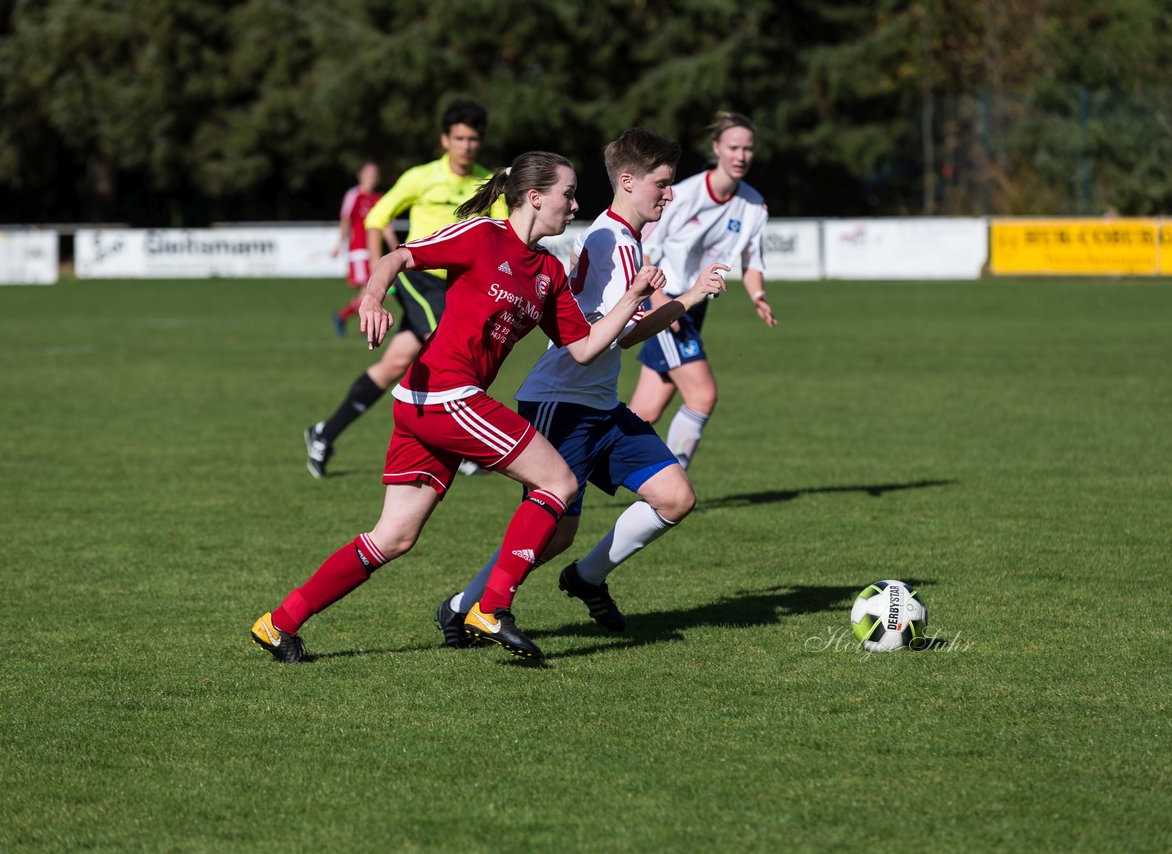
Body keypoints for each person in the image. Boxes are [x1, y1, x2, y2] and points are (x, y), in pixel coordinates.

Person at [251, 151, 661, 664]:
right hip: (445, 395)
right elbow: (397, 257)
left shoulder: (550, 272)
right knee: (557, 483)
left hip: (429, 404)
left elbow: (582, 348)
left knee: (394, 536)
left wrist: (635, 297)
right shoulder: (481, 237)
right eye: (568, 194)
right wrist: (374, 299)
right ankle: (491, 608)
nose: (576, 205)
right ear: (535, 198)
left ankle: (279, 622)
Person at [435, 129, 729, 646]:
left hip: (599, 404)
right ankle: (465, 606)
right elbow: (608, 336)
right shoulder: (610, 241)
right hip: (560, 403)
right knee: (552, 529)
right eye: (662, 183)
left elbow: (623, 333)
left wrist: (689, 296)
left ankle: (585, 577)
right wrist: (677, 299)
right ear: (629, 181)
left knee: (675, 497)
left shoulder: (625, 239)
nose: (670, 193)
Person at [304, 99, 506, 478]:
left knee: (395, 364)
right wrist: (383, 275)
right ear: (445, 139)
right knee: (450, 343)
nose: (466, 145)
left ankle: (323, 433)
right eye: (459, 138)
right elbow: (378, 219)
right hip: (419, 277)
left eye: (473, 139)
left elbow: (502, 235)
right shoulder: (421, 177)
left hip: (460, 288)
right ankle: (460, 442)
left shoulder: (487, 182)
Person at [628, 112, 777, 469]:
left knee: (643, 412)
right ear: (716, 149)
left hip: (694, 308)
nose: (741, 156)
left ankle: (577, 461)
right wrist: (660, 300)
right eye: (734, 147)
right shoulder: (683, 195)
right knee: (702, 395)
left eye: (748, 149)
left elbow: (751, 261)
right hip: (668, 302)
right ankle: (672, 481)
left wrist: (758, 297)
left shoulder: (754, 205)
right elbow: (643, 249)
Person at [330, 162, 399, 335]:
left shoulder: (380, 199)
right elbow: (346, 221)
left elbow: (387, 228)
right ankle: (351, 320)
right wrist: (339, 244)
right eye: (368, 173)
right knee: (370, 290)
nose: (372, 177)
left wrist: (396, 248)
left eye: (375, 174)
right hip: (359, 251)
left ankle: (353, 320)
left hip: (375, 253)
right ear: (360, 175)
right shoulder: (354, 195)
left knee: (373, 290)